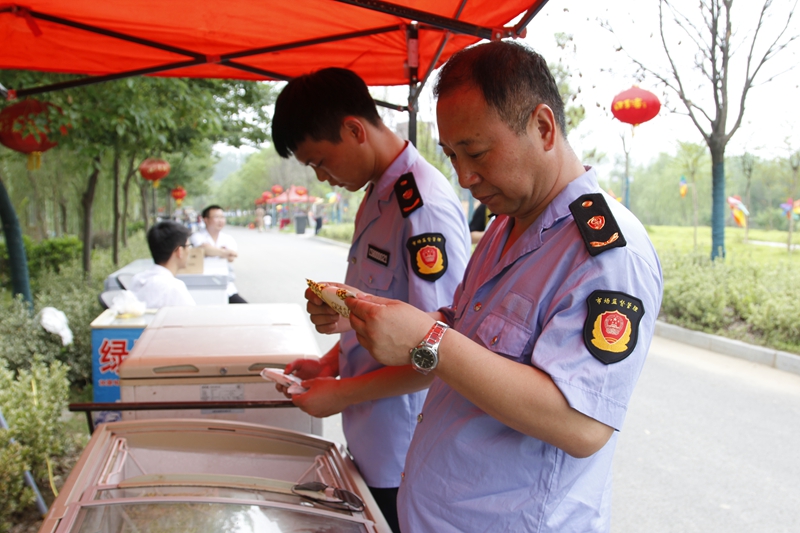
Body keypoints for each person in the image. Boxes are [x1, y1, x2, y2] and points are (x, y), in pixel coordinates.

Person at [345, 41, 663, 532]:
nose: (465, 176)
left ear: (542, 127)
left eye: (475, 152)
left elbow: (580, 425)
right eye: (451, 155)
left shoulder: (605, 254)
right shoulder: (504, 225)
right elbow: (459, 332)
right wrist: (372, 314)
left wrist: (426, 340)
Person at [271, 67, 470, 533]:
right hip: (371, 434)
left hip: (404, 447)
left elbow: (439, 350)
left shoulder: (422, 208)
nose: (322, 177)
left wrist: (340, 393)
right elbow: (373, 314)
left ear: (355, 130)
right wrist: (328, 363)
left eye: (321, 161)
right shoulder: (376, 194)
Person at [128, 221, 195, 308]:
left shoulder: (137, 280)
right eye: (188, 246)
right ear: (180, 251)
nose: (190, 250)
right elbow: (193, 319)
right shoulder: (175, 288)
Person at [190, 205, 247, 304]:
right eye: (216, 217)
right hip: (201, 285)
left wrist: (210, 251)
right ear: (206, 220)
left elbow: (232, 257)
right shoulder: (197, 236)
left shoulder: (227, 238)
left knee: (244, 308)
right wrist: (223, 252)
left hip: (226, 285)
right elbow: (204, 249)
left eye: (222, 217)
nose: (220, 220)